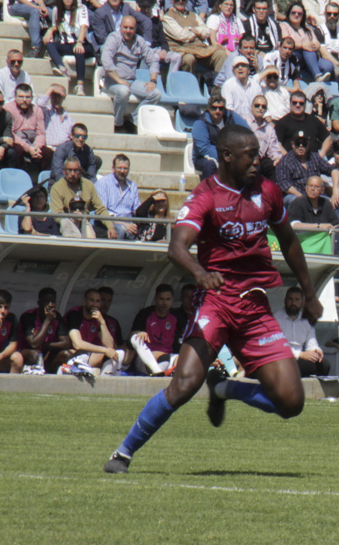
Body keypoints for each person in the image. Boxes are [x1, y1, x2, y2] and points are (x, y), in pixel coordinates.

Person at [104, 123, 327, 470]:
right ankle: (123, 453)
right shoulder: (206, 195)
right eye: (250, 155)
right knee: (184, 385)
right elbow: (176, 246)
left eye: (258, 154)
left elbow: (289, 241)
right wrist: (199, 273)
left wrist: (310, 294)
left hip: (254, 308)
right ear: (227, 156)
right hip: (217, 303)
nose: (258, 160)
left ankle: (225, 389)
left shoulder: (267, 191)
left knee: (291, 403)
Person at [102, 15, 162, 134]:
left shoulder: (139, 41)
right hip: (112, 81)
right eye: (125, 27)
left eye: (131, 28)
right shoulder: (114, 38)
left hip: (131, 81)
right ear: (120, 27)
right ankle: (117, 124)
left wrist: (153, 80)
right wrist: (118, 80)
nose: (128, 31)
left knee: (156, 94)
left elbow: (153, 59)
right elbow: (106, 60)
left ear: (135, 29)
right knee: (124, 91)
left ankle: (132, 119)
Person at [61, 288, 124, 376]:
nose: (95, 304)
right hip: (72, 354)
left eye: (98, 301)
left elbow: (110, 346)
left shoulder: (98, 317)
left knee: (119, 354)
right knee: (86, 356)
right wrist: (105, 350)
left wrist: (102, 323)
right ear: (85, 301)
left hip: (88, 355)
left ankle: (107, 381)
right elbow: (77, 344)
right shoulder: (75, 314)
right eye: (92, 300)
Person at [128, 284, 185, 376]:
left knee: (181, 358)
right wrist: (140, 333)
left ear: (172, 300)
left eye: (168, 299)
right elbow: (131, 338)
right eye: (161, 299)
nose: (164, 303)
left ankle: (161, 374)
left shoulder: (176, 316)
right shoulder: (145, 313)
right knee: (136, 337)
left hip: (168, 357)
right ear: (156, 299)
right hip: (145, 359)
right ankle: (157, 372)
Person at [19, 287, 73, 373]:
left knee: (67, 354)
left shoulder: (57, 316)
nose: (50, 305)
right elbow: (34, 344)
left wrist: (45, 345)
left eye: (53, 302)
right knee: (36, 354)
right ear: (39, 303)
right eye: (47, 301)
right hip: (27, 354)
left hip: (47, 355)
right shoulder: (28, 316)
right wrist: (47, 320)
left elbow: (66, 343)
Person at [94, 154, 141, 240]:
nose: (122, 171)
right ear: (113, 168)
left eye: (125, 168)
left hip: (129, 223)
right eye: (119, 168)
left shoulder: (132, 186)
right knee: (121, 230)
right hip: (108, 223)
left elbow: (136, 210)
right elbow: (101, 212)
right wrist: (124, 224)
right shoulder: (103, 184)